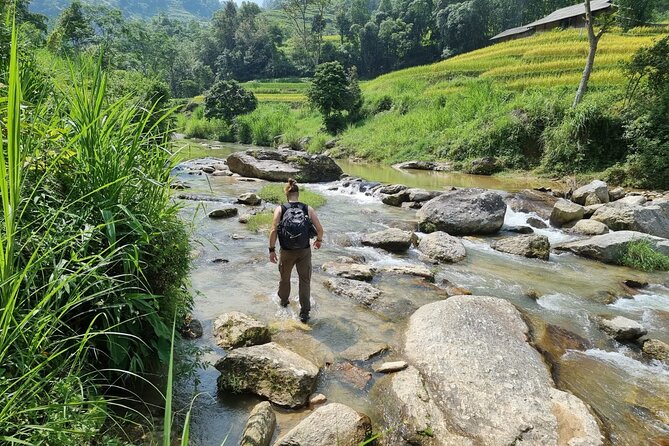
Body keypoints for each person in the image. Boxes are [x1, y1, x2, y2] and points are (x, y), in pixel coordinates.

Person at [269, 178, 324, 323]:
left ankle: (283, 302)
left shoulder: (280, 209)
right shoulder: (307, 208)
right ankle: (304, 313)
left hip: (286, 251)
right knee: (304, 281)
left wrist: (271, 249)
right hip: (304, 251)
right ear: (298, 194)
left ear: (286, 194)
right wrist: (318, 241)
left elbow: (274, 230)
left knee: (284, 279)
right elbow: (320, 229)